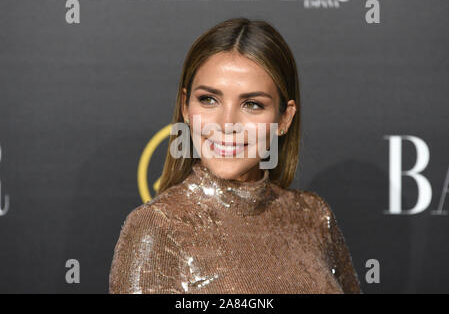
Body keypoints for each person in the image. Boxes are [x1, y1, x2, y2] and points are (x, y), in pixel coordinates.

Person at [109, 17, 362, 294]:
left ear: (284, 118)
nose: (227, 123)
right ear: (185, 107)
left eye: (252, 104)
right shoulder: (157, 226)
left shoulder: (314, 216)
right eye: (209, 99)